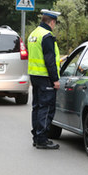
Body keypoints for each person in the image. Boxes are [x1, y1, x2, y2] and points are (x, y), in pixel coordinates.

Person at [28, 9, 61, 149]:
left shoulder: (33, 34)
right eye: (55, 24)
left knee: (37, 107)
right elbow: (49, 60)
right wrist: (55, 79)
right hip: (45, 77)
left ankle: (36, 136)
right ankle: (42, 139)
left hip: (35, 76)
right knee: (46, 108)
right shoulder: (47, 35)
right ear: (52, 22)